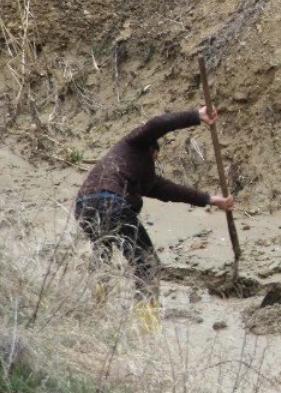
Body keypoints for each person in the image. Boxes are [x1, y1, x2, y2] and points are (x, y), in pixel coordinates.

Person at [74, 105, 233, 301]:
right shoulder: (136, 142)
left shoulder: (134, 173)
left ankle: (95, 309)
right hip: (111, 202)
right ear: (151, 149)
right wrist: (196, 116)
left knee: (101, 260)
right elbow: (158, 124)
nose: (153, 164)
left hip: (83, 206)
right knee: (146, 265)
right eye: (154, 158)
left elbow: (170, 190)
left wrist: (210, 200)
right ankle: (146, 325)